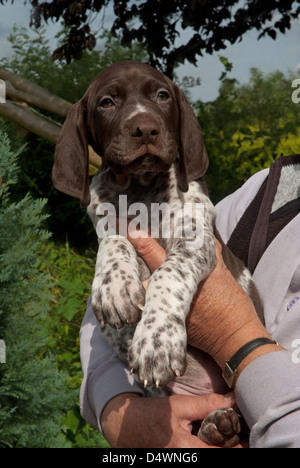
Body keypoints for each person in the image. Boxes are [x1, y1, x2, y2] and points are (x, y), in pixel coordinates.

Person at [80, 154, 300, 448]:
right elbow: (119, 292)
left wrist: (233, 337)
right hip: (164, 399)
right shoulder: (268, 188)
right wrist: (117, 406)